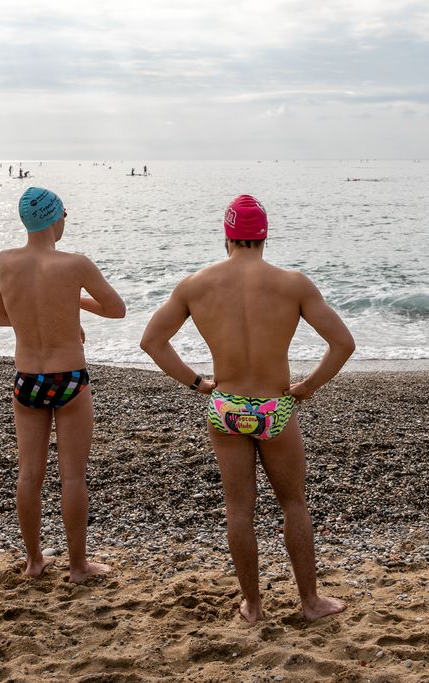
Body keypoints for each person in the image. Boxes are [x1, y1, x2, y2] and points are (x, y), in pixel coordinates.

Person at [140, 194, 355, 623]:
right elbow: (343, 344)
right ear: (264, 236)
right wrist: (308, 387)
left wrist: (198, 383)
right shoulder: (293, 284)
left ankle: (253, 606)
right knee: (293, 504)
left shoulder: (195, 285)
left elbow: (152, 341)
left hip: (227, 406)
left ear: (227, 235)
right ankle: (310, 602)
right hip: (275, 406)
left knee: (239, 509)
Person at [0, 186, 126, 583]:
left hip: (27, 378)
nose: (65, 219)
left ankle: (34, 562)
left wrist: (44, 313)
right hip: (69, 379)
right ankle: (78, 566)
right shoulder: (75, 264)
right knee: (73, 476)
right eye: (64, 213)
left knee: (29, 474)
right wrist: (72, 304)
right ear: (54, 218)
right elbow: (116, 309)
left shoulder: (5, 261)